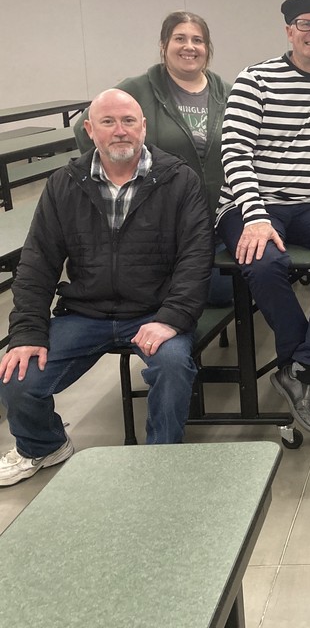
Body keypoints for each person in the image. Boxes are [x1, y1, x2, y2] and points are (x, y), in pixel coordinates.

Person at [0, 89, 211, 487]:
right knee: (16, 378)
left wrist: (171, 319)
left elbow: (195, 258)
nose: (120, 131)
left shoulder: (179, 179)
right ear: (89, 130)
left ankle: (163, 461)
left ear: (143, 127)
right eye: (108, 122)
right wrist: (27, 331)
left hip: (154, 310)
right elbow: (37, 263)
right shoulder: (65, 183)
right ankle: (44, 445)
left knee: (172, 366)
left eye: (129, 121)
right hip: (87, 312)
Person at [216, 0, 310, 440]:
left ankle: (305, 366)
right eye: (306, 24)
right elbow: (236, 151)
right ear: (289, 31)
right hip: (249, 200)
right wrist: (256, 214)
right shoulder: (255, 79)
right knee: (263, 262)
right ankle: (305, 366)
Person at [73, 10, 231, 304]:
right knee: (187, 294)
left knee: (227, 291)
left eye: (198, 40)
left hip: (218, 219)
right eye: (179, 38)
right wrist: (117, 173)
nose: (189, 46)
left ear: (208, 49)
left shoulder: (227, 92)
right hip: (160, 226)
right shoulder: (138, 88)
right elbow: (86, 127)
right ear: (163, 45)